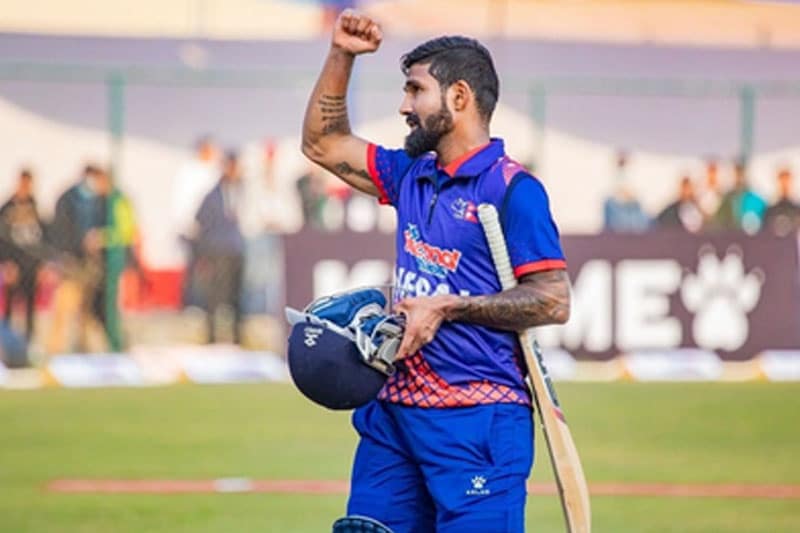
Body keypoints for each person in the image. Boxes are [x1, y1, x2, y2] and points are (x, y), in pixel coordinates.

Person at [301, 10, 571, 532]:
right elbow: (322, 144)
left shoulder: (512, 190)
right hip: (394, 414)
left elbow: (553, 299)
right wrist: (341, 55)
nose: (404, 106)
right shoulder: (410, 173)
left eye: (415, 90)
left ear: (459, 96)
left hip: (478, 419)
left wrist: (448, 307)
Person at [46, 165, 105, 354]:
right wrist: (72, 249)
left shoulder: (98, 200)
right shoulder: (67, 199)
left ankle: (83, 347)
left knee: (85, 310)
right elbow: (61, 231)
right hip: (71, 262)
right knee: (65, 306)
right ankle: (56, 349)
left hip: (89, 263)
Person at [193, 150, 246, 344]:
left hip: (236, 249)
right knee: (216, 297)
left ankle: (237, 337)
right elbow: (201, 220)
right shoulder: (213, 195)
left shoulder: (242, 190)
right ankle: (212, 338)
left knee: (236, 296)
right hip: (218, 250)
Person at [0, 168, 46, 344]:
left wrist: (41, 264)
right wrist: (6, 263)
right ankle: (7, 342)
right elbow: (3, 240)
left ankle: (28, 342)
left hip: (31, 266)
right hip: (14, 265)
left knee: (30, 307)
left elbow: (41, 238)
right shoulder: (7, 209)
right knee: (10, 306)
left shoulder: (35, 207)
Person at [712, 158, 767, 234]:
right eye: (737, 174)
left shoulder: (755, 199)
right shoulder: (727, 199)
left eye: (741, 174)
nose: (739, 178)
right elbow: (720, 220)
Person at [602, 150, 651, 233]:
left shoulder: (631, 174)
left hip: (629, 207)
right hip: (619, 207)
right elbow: (619, 191)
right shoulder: (616, 175)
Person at [763, 167, 800, 237]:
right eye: (782, 182)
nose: (785, 185)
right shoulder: (770, 210)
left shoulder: (797, 210)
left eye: (787, 181)